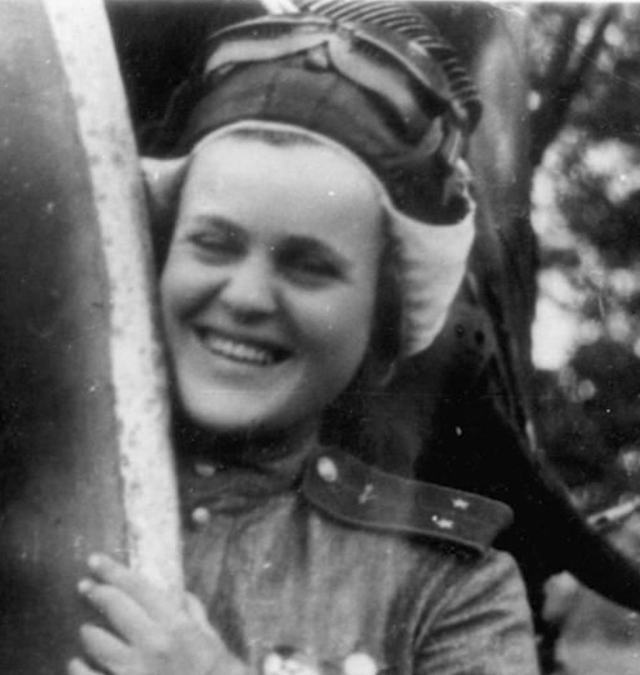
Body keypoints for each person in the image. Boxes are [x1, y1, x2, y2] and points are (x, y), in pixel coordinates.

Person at [71, 5, 540, 675]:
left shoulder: (449, 589)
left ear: (382, 327)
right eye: (214, 243)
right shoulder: (15, 489)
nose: (245, 297)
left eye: (308, 266)